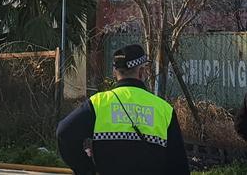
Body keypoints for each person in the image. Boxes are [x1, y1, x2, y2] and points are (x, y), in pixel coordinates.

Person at [57, 44, 189, 174]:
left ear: (115, 73)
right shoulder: (164, 109)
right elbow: (178, 164)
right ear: (142, 71)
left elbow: (64, 132)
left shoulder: (99, 103)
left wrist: (86, 169)